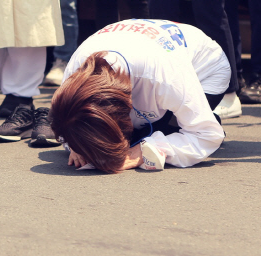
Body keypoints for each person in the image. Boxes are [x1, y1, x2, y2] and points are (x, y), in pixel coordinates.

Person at [50, 19, 230, 174]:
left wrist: (142, 153)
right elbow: (71, 119)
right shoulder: (76, 71)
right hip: (143, 52)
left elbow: (208, 135)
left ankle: (192, 118)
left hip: (205, 71)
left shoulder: (164, 75)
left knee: (146, 137)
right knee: (123, 137)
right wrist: (75, 144)